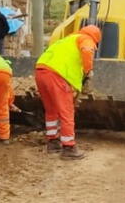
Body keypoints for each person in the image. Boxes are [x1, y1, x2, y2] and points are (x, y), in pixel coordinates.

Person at [35, 25, 101, 160]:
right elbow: (87, 50)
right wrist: (88, 69)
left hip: (41, 71)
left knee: (51, 110)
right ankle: (69, 147)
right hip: (57, 75)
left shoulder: (67, 40)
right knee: (67, 112)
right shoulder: (86, 39)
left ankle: (52, 142)